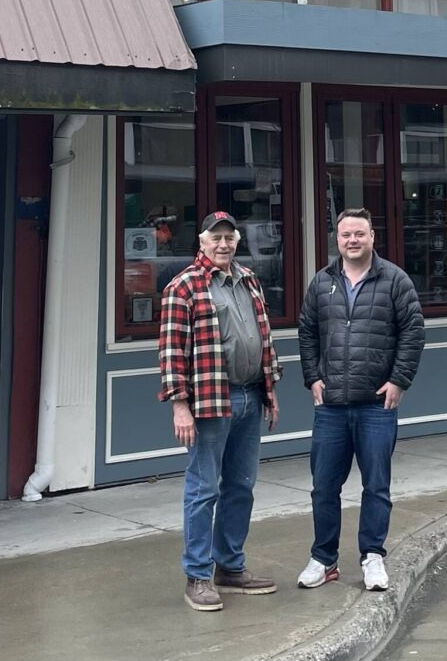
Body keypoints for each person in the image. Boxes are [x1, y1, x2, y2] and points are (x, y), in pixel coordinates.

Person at [296, 207, 425, 594]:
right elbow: (306, 332)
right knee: (323, 488)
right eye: (345, 234)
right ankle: (324, 559)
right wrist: (312, 378)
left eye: (359, 234)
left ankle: (372, 557)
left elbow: (413, 332)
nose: (352, 240)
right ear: (337, 239)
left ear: (372, 237)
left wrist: (399, 380)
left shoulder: (394, 280)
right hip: (331, 405)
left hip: (375, 405)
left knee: (376, 486)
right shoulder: (322, 282)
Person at [158, 210, 281, 613]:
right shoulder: (185, 286)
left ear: (237, 241)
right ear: (202, 242)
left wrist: (271, 391)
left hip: (249, 395)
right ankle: (198, 575)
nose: (224, 244)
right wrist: (180, 405)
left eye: (230, 237)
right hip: (211, 400)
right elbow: (172, 351)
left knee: (241, 486)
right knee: (203, 489)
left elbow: (264, 338)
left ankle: (230, 566)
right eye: (216, 237)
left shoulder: (249, 281)